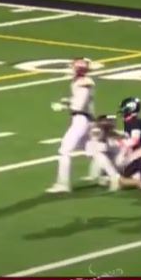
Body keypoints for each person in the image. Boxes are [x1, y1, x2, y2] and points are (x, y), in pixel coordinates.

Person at [47, 58, 96, 193]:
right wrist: (68, 101)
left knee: (64, 150)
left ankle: (63, 184)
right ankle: (113, 174)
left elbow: (80, 105)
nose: (70, 69)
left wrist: (64, 106)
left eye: (73, 67)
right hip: (85, 120)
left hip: (81, 120)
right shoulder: (81, 82)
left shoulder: (83, 83)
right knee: (92, 150)